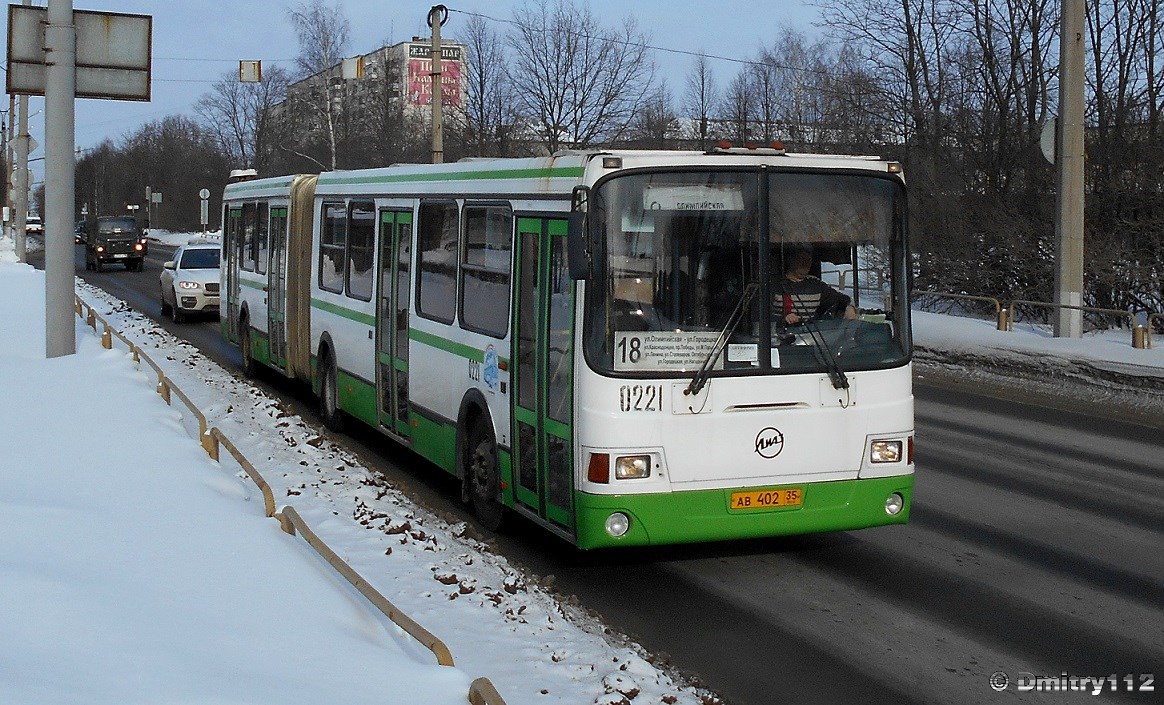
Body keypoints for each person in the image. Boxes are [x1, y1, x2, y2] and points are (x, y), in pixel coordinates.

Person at [775, 245, 857, 325]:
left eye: (809, 259)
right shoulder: (775, 285)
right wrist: (782, 320)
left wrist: (849, 307)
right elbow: (764, 316)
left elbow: (843, 300)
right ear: (790, 260)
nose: (806, 263)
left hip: (809, 337)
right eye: (801, 258)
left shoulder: (816, 285)